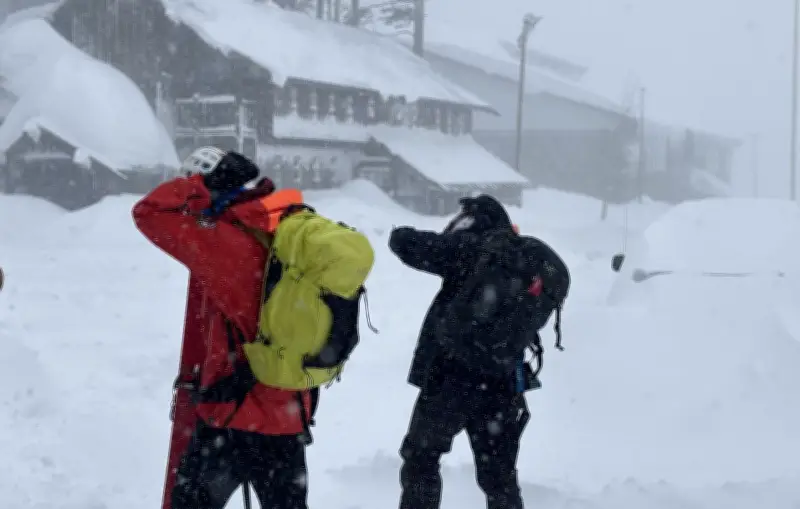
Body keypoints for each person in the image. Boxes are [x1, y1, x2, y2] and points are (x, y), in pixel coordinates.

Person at [133, 147, 314, 509]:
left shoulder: (225, 241)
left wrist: (197, 186)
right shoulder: (294, 229)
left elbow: (149, 213)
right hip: (289, 409)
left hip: (233, 411)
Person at [389, 194, 570, 509]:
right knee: (499, 477)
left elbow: (408, 245)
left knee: (422, 457)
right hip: (503, 381)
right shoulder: (524, 259)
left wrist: (397, 232)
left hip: (451, 378)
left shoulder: (470, 248)